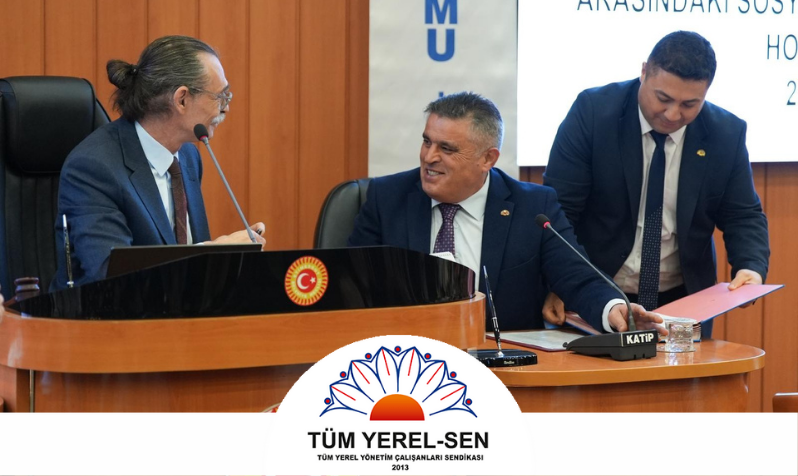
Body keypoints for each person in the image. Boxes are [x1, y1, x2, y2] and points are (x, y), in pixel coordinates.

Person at [348, 92, 663, 333]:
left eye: (446, 149)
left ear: (488, 159)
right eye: (427, 142)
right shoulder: (387, 198)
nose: (429, 157)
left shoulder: (533, 208)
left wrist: (613, 309)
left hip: (503, 368)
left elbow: (578, 277)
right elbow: (351, 283)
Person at [543, 31, 770, 336]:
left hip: (683, 303)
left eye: (689, 104)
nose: (673, 114)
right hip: (595, 295)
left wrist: (750, 268)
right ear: (644, 72)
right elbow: (559, 213)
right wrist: (565, 283)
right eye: (663, 99)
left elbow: (743, 215)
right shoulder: (594, 113)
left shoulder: (725, 133)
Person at [51, 35, 265, 291]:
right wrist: (212, 252)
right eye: (220, 96)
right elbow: (110, 275)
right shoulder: (93, 167)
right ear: (182, 99)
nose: (225, 108)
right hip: (104, 313)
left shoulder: (188, 156)